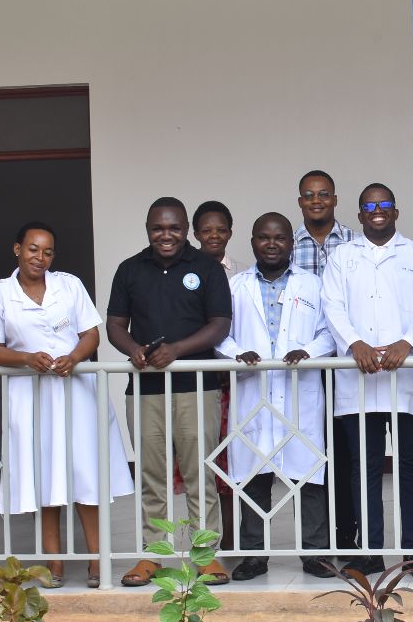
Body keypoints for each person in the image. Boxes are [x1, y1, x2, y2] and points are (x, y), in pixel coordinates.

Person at [0, 222, 134, 588]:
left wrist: (75, 357)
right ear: (17, 249)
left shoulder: (69, 285)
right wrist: (27, 358)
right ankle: (55, 564)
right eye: (33, 249)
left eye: (47, 252)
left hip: (76, 390)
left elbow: (90, 333)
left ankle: (97, 562)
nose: (40, 258)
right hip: (31, 396)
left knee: (86, 475)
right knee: (45, 476)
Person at [107, 197, 233, 587]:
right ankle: (152, 555)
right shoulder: (130, 270)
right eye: (158, 228)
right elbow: (114, 324)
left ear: (185, 230)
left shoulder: (207, 268)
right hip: (145, 390)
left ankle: (205, 555)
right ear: (148, 229)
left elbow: (220, 325)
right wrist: (133, 350)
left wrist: (176, 350)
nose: (166, 235)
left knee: (200, 474)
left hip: (197, 388)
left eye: (174, 228)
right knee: (152, 475)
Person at [220, 213, 336, 580]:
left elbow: (329, 333)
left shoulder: (313, 285)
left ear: (291, 242)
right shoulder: (236, 286)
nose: (272, 244)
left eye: (280, 237)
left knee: (308, 477)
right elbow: (219, 334)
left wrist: (309, 351)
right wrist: (237, 354)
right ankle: (255, 554)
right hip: (253, 391)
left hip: (299, 394)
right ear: (252, 241)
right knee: (254, 476)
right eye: (264, 237)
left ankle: (314, 553)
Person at [320, 183, 413, 576]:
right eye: (369, 206)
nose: (377, 211)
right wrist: (354, 344)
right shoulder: (342, 256)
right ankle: (369, 552)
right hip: (358, 379)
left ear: (395, 212)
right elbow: (331, 305)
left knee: (412, 467)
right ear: (360, 214)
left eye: (384, 205)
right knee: (361, 469)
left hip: (407, 379)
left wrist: (407, 343)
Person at [292, 169, 361, 556]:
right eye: (308, 195)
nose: (316, 201)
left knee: (348, 454)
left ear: (335, 199)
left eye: (323, 194)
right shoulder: (287, 245)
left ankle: (348, 536)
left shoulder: (353, 242)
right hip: (304, 369)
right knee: (314, 453)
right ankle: (322, 539)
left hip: (348, 364)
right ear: (300, 201)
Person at [193, 199, 238, 553]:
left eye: (221, 230)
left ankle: (235, 543)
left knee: (229, 465)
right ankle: (205, 544)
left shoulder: (240, 273)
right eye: (207, 230)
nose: (214, 236)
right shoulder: (184, 270)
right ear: (195, 234)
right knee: (200, 466)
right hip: (196, 379)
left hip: (232, 383)